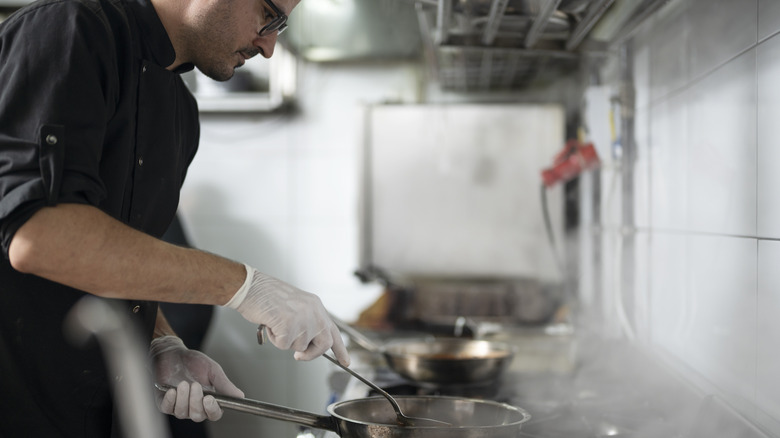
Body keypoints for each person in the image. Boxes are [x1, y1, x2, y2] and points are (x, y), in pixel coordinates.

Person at [0, 0, 350, 435]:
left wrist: (160, 343)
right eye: (268, 14)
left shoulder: (181, 113)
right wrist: (244, 286)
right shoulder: (70, 31)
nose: (269, 46)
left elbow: (119, 257)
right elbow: (38, 236)